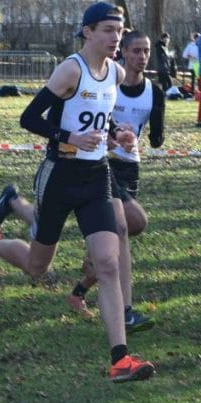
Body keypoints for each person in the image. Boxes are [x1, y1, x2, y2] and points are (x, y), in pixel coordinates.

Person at [0, 1, 155, 383]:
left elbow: (101, 117)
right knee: (37, 267)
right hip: (60, 175)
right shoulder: (71, 69)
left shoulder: (116, 72)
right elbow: (28, 118)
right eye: (108, 30)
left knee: (107, 263)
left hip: (97, 176)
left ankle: (120, 359)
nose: (116, 38)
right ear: (88, 32)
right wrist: (70, 137)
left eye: (120, 31)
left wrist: (116, 134)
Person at [55, 30, 163, 331]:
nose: (142, 57)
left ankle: (82, 288)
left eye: (146, 51)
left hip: (130, 167)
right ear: (123, 52)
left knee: (123, 233)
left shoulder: (153, 91)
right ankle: (123, 311)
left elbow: (157, 138)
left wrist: (134, 134)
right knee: (127, 225)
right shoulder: (107, 81)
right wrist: (111, 133)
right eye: (136, 50)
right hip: (101, 163)